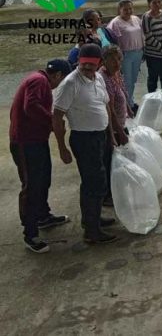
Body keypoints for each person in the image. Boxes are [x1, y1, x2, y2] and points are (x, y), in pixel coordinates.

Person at [52, 44, 121, 244]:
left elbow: (106, 105)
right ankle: (91, 231)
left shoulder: (98, 77)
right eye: (84, 64)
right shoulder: (70, 83)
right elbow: (57, 116)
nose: (88, 68)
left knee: (98, 181)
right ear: (78, 62)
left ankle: (93, 219)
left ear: (99, 63)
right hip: (84, 140)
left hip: (101, 136)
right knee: (93, 183)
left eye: (92, 64)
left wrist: (111, 134)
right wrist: (62, 147)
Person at [10, 59, 71, 253]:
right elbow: (31, 106)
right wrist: (52, 121)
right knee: (32, 185)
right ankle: (30, 234)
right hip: (25, 142)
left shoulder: (40, 80)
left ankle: (43, 215)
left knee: (44, 179)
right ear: (59, 75)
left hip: (37, 139)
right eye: (62, 81)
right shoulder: (39, 81)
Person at [98, 45, 131, 209]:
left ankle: (118, 188)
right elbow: (109, 110)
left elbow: (122, 90)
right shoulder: (103, 78)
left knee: (122, 158)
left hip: (121, 121)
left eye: (119, 59)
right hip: (111, 126)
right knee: (110, 161)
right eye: (112, 60)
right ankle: (108, 195)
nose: (117, 63)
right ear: (104, 61)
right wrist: (116, 133)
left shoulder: (115, 73)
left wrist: (129, 109)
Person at [106, 0, 144, 109]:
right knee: (126, 81)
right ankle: (126, 106)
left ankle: (130, 101)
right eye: (125, 9)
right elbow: (112, 41)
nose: (128, 11)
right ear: (119, 10)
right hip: (125, 55)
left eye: (130, 8)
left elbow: (141, 34)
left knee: (133, 80)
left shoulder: (136, 19)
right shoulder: (115, 23)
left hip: (138, 53)